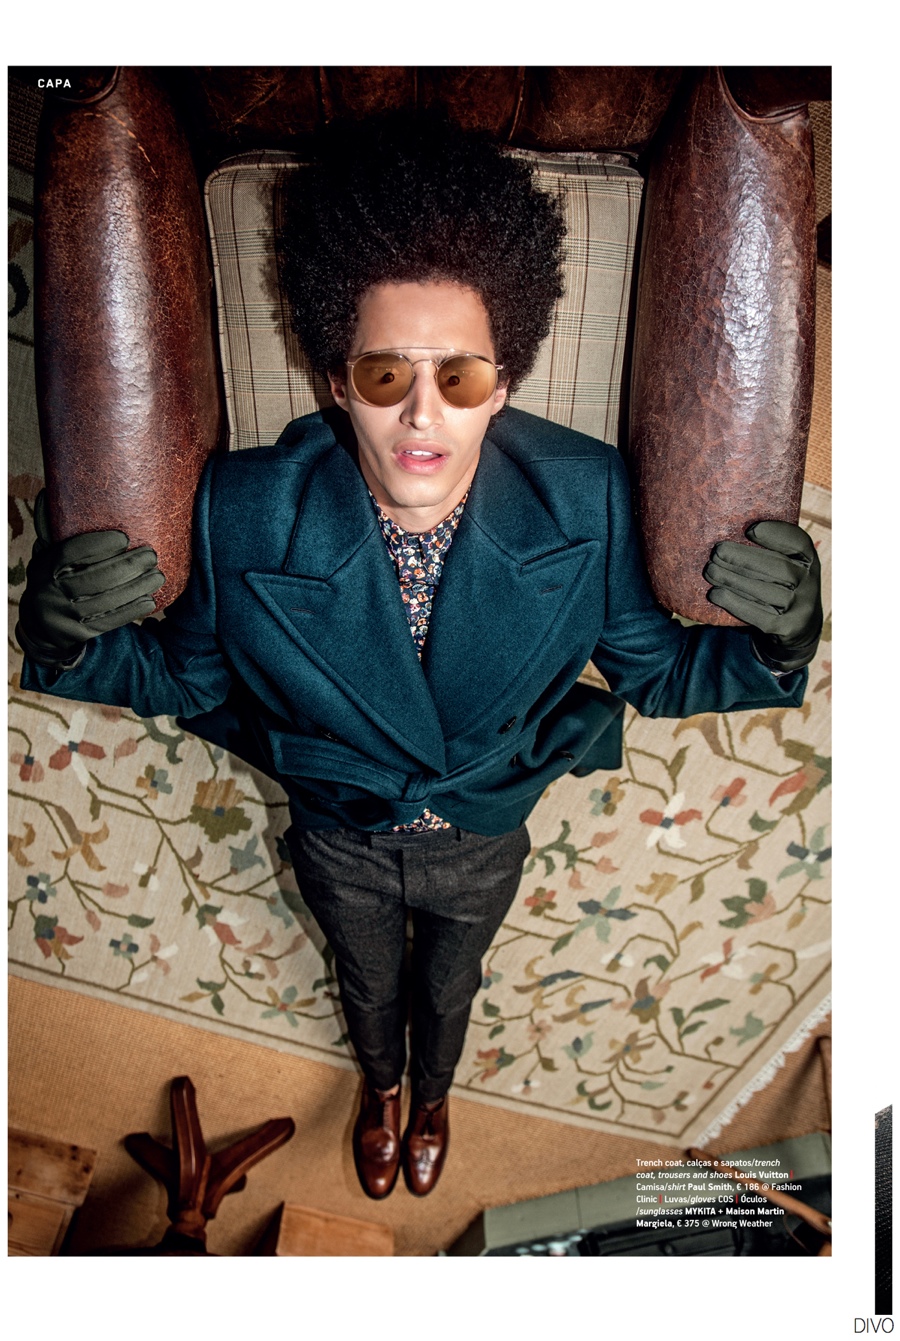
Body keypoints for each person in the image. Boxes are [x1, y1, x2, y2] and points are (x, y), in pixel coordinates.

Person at [16, 111, 822, 1201]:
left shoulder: (586, 498)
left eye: (463, 376)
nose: (422, 417)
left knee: (451, 982)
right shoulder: (241, 510)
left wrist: (781, 645)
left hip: (483, 826)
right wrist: (62, 642)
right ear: (337, 379)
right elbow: (183, 677)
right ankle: (383, 1087)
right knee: (364, 978)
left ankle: (436, 1091)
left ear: (506, 380)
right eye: (387, 374)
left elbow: (662, 672)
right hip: (339, 831)